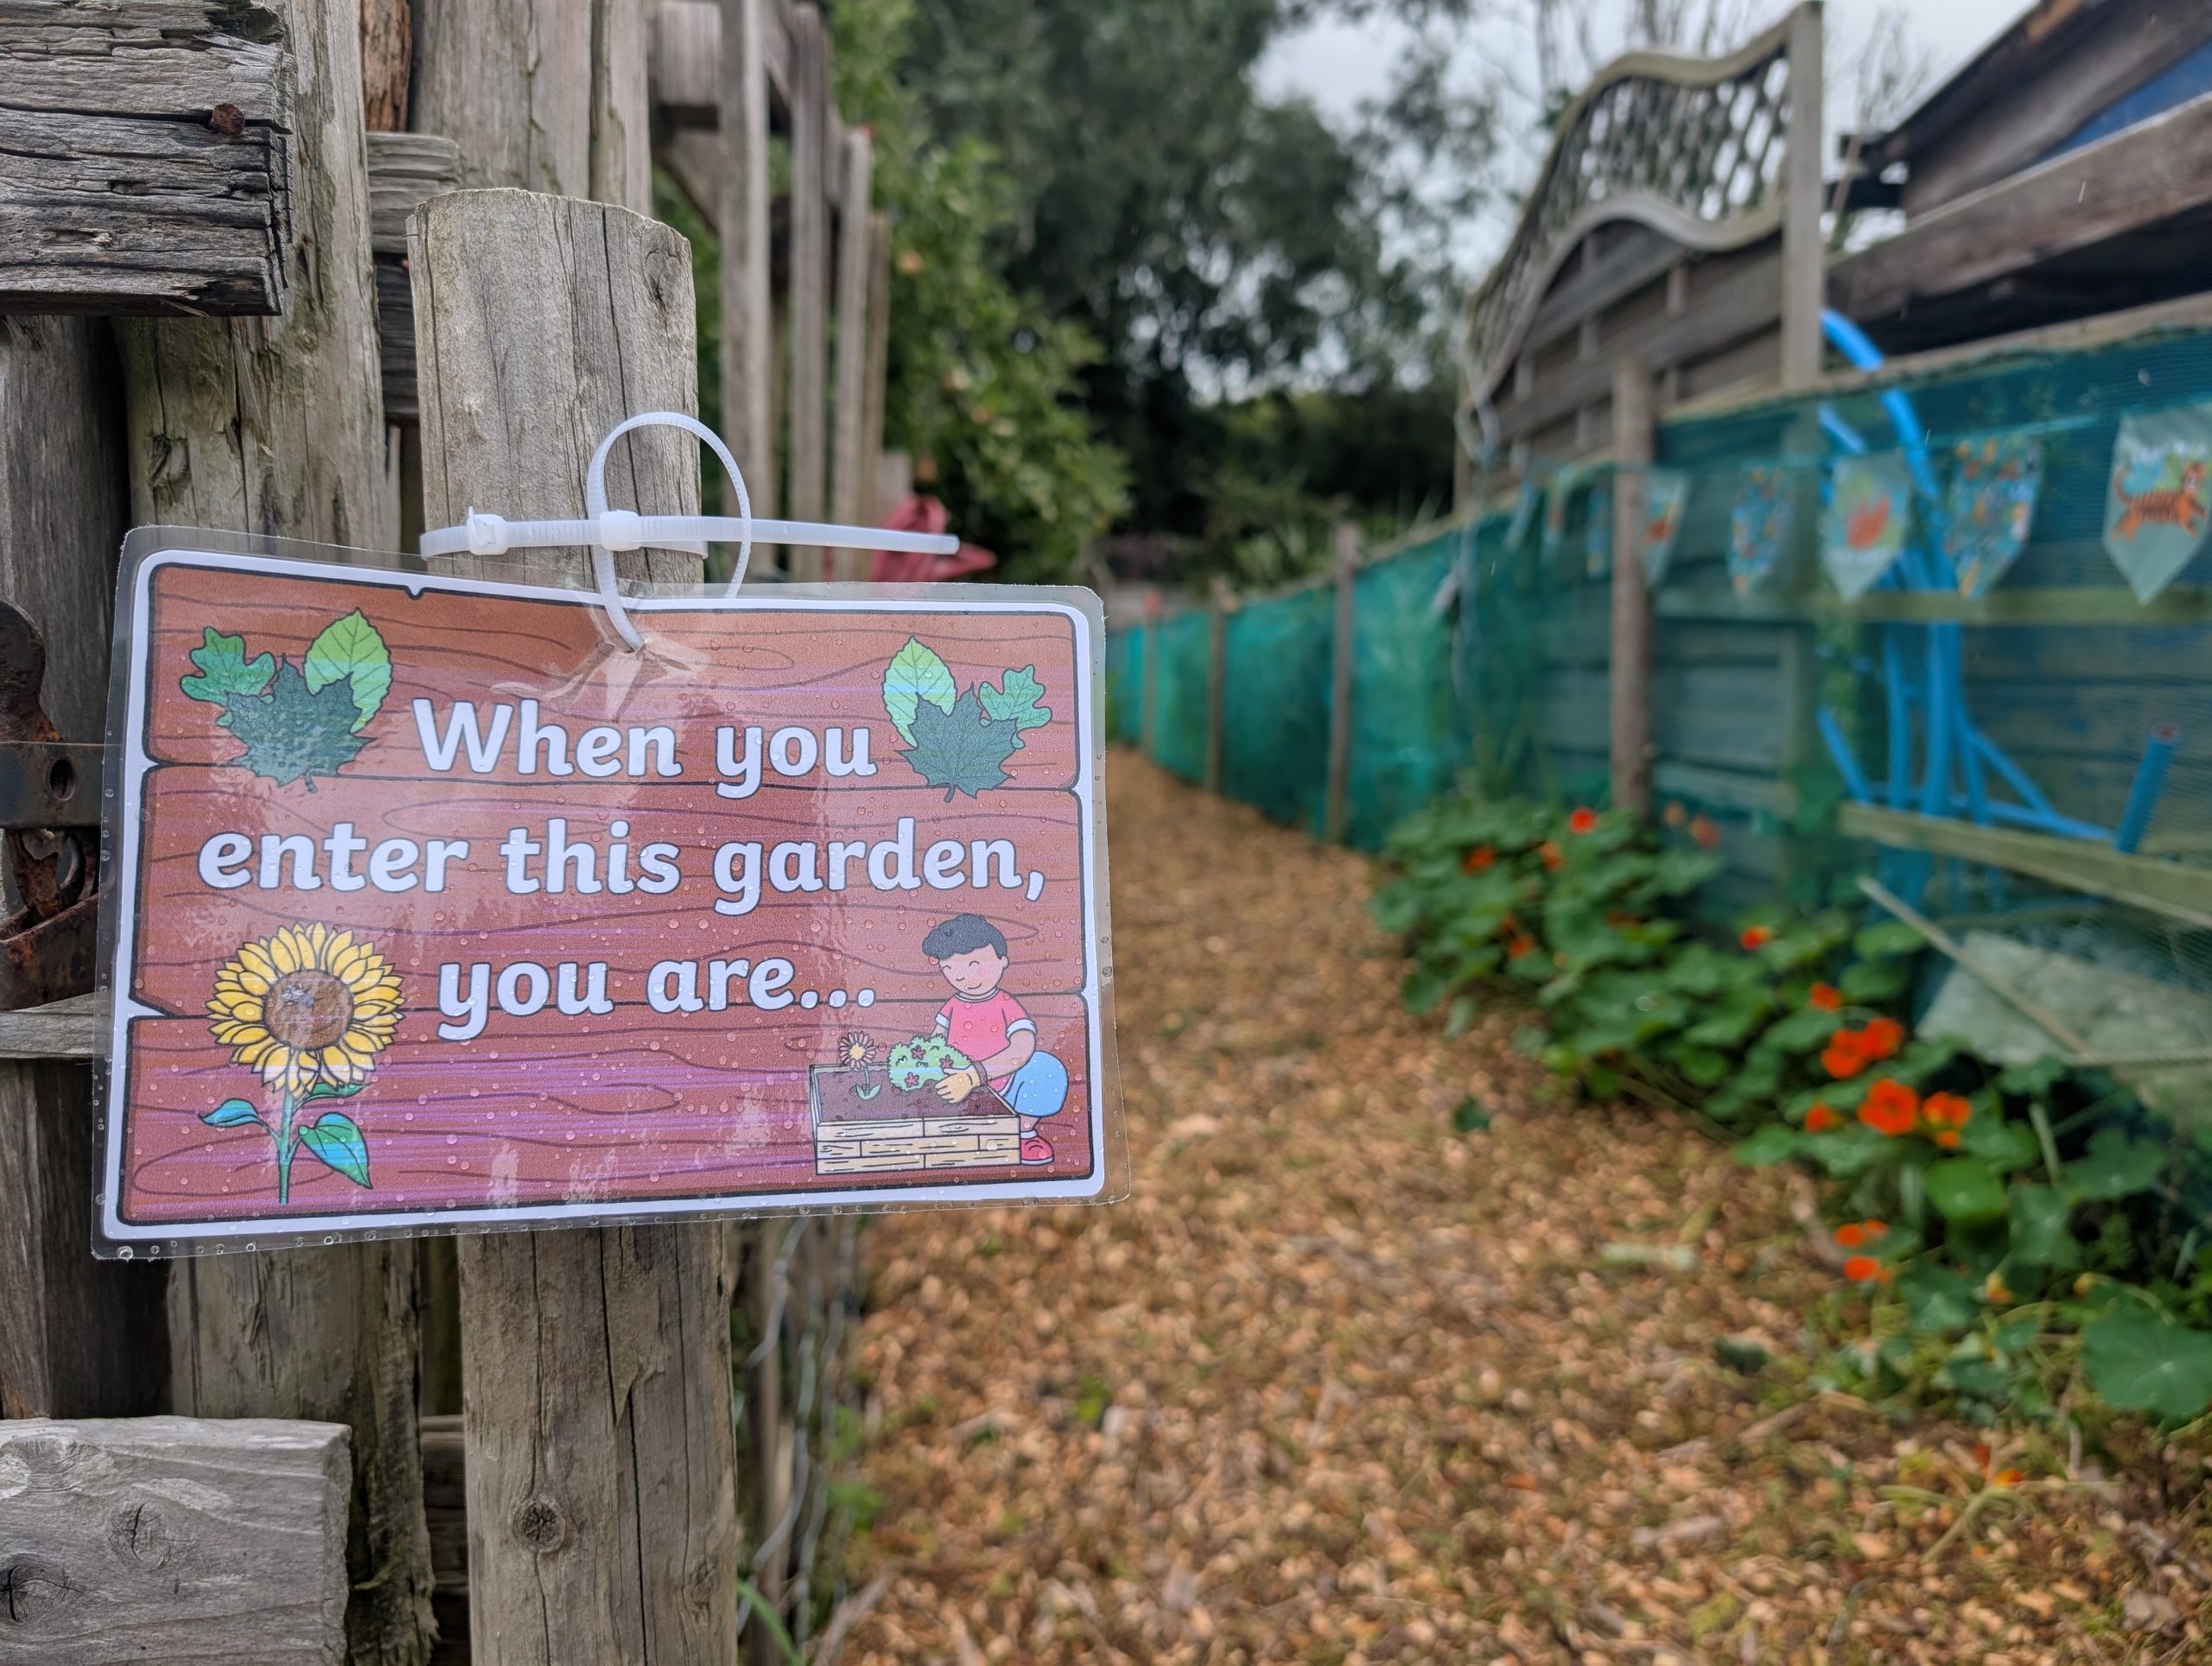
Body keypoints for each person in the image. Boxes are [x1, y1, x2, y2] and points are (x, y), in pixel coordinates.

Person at [922, 913, 1067, 1165]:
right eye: (950, 969)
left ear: (1002, 962)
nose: (963, 977)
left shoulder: (1006, 1004)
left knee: (1046, 1067)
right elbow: (936, 1041)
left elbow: (1023, 1047)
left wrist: (977, 1074)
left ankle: (1024, 1133)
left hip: (1005, 1085)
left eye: (975, 965)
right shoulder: (953, 1006)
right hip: (955, 1086)